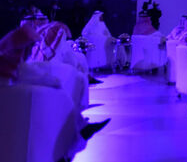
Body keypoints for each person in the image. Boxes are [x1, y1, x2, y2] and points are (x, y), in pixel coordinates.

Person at [0, 26, 111, 155]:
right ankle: (77, 135)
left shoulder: (9, 62)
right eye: (29, 47)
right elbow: (47, 80)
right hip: (17, 104)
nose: (31, 50)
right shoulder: (16, 68)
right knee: (62, 101)